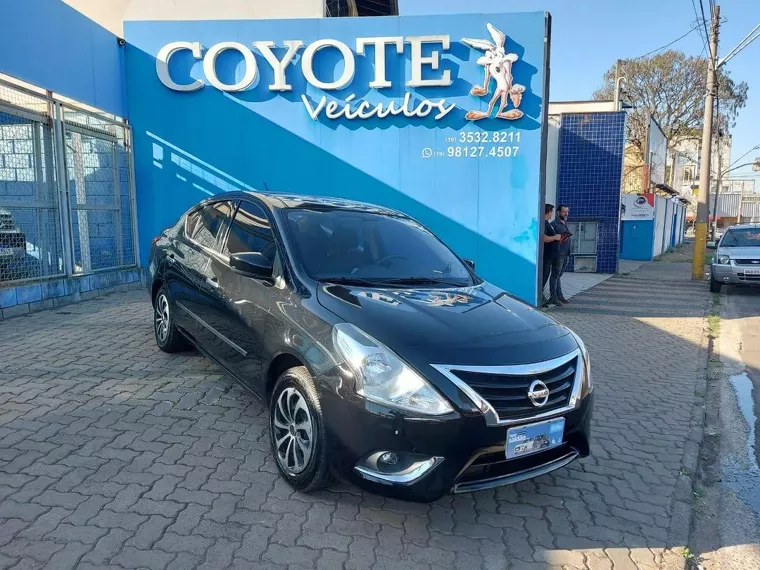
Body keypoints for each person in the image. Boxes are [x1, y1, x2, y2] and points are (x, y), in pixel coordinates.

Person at [550, 204, 572, 305]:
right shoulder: (554, 224)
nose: (566, 214)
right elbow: (551, 239)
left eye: (567, 212)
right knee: (555, 275)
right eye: (564, 212)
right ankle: (553, 297)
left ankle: (559, 296)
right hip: (558, 255)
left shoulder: (565, 223)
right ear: (558, 212)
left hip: (566, 254)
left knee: (559, 276)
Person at [542, 203, 562, 307]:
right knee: (544, 276)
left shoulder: (548, 223)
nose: (552, 214)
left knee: (552, 275)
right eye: (551, 212)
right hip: (548, 256)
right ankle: (540, 297)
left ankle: (550, 297)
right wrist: (555, 237)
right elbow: (544, 238)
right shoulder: (544, 224)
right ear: (548, 212)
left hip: (554, 255)